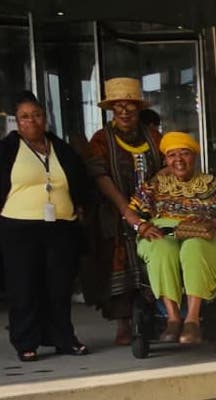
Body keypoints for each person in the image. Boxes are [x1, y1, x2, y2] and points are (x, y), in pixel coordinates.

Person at [126, 132, 216, 344]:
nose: (178, 160)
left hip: (206, 237)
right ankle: (173, 319)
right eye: (172, 155)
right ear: (165, 160)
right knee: (162, 248)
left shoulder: (213, 185)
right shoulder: (155, 185)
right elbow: (129, 211)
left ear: (194, 157)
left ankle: (192, 321)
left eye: (185, 154)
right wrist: (142, 225)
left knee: (193, 247)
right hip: (163, 234)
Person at [0, 92, 90, 361]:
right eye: (25, 117)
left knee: (59, 286)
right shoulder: (7, 149)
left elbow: (79, 181)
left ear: (45, 118)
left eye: (37, 115)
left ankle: (63, 338)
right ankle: (26, 341)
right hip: (19, 227)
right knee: (24, 285)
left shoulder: (60, 148)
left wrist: (81, 207)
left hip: (60, 226)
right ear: (17, 122)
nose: (32, 121)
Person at [86, 77, 163, 345]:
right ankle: (124, 324)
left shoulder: (153, 136)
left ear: (138, 108)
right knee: (120, 265)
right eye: (119, 106)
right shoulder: (100, 139)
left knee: (154, 260)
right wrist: (127, 211)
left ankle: (157, 317)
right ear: (111, 110)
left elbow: (166, 168)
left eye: (130, 105)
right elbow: (100, 177)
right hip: (116, 213)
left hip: (154, 209)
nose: (125, 112)